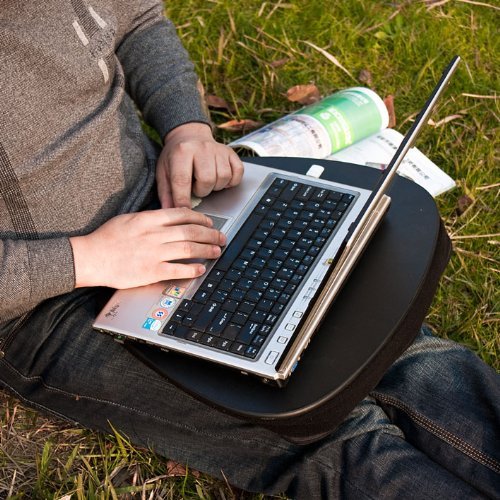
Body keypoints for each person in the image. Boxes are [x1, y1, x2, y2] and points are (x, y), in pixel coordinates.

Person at [0, 2, 498, 498]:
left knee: (400, 354)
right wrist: (87, 259)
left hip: (175, 201)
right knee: (325, 438)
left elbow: (137, 19)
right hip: (45, 303)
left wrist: (186, 129)